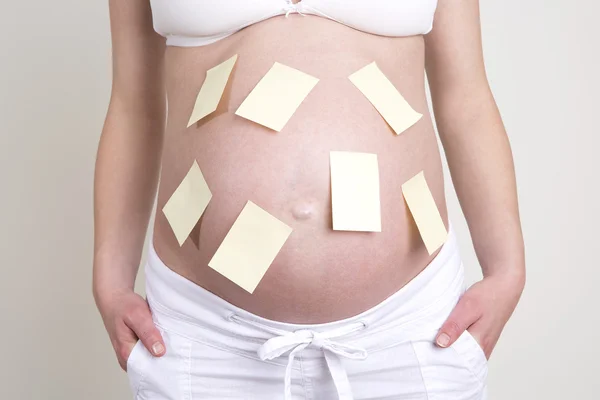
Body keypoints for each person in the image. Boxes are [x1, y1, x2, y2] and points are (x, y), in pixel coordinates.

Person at [93, 0, 525, 399]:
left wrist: (507, 269)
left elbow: (465, 99)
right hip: (206, 333)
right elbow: (134, 107)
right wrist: (110, 281)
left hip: (410, 327)